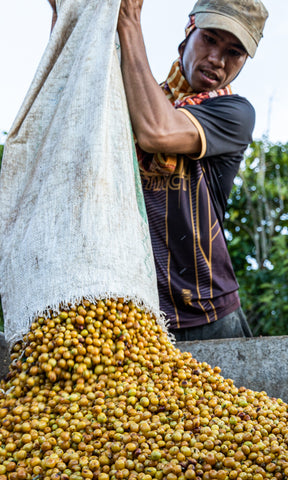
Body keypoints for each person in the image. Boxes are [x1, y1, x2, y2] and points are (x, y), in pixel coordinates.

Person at [49, 0, 268, 341]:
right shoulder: (137, 97)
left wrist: (130, 19)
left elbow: (156, 132)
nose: (217, 60)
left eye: (234, 53)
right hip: (135, 309)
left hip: (205, 313)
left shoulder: (233, 112)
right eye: (209, 39)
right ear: (188, 33)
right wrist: (65, 15)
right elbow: (73, 102)